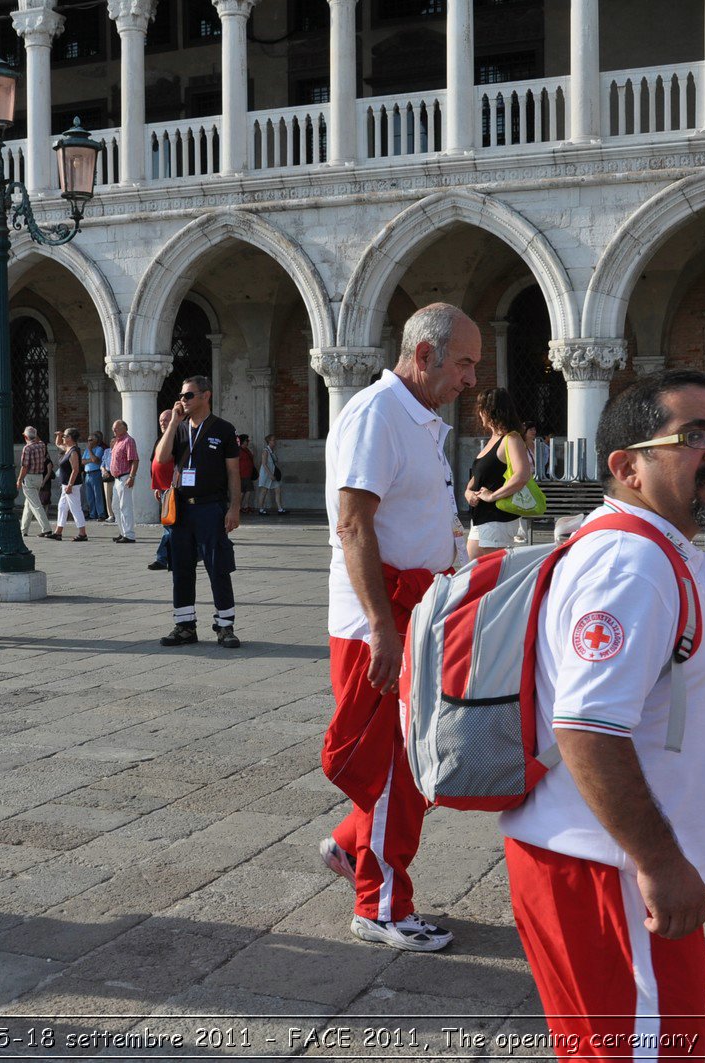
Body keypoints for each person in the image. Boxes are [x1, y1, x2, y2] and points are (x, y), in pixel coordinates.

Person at [501, 368, 705, 1059]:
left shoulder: (648, 546)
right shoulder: (631, 563)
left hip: (601, 862)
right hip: (608, 872)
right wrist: (661, 862)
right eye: (692, 436)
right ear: (626, 467)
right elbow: (585, 726)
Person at [319, 303, 480, 951]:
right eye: (464, 362)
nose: (471, 378)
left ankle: (352, 843)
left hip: (416, 615)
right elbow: (353, 524)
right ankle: (380, 904)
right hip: (376, 624)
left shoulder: (420, 421)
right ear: (424, 356)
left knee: (415, 759)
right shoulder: (377, 414)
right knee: (391, 767)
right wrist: (384, 630)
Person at [153, 375, 242, 649]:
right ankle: (184, 626)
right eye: (181, 395)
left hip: (210, 507)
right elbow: (161, 458)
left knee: (218, 567)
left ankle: (225, 627)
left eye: (189, 395)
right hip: (181, 509)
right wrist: (174, 424)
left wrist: (234, 508)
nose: (183, 400)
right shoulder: (178, 429)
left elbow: (233, 472)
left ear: (206, 396)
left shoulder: (223, 429)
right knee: (180, 567)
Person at [464, 387, 533, 560]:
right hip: (481, 517)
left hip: (497, 517)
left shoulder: (512, 439)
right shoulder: (493, 440)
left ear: (490, 411)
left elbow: (522, 475)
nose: (479, 413)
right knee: (476, 569)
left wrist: (493, 496)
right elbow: (477, 476)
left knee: (493, 575)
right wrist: (468, 492)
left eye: (481, 408)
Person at [42, 427, 87, 541]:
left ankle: (82, 533)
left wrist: (70, 485)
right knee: (62, 507)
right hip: (65, 485)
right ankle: (58, 532)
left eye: (66, 436)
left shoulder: (73, 452)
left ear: (71, 438)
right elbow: (58, 444)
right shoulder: (67, 448)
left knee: (75, 508)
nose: (63, 438)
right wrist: (59, 435)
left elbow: (75, 470)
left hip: (72, 485)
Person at [148, 409, 175, 570]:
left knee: (169, 525)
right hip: (163, 488)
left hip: (173, 489)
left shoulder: (178, 438)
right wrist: (157, 485)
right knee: (171, 525)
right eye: (161, 421)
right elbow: (155, 462)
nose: (162, 423)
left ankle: (162, 558)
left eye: (166, 420)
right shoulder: (161, 438)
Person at [108, 418, 140, 544]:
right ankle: (122, 532)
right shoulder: (117, 441)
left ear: (124, 428)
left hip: (125, 477)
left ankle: (129, 535)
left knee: (125, 506)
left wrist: (132, 477)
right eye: (113, 428)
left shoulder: (128, 440)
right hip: (117, 479)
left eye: (116, 428)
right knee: (115, 506)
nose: (114, 430)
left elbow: (134, 460)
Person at [18, 425, 51, 537]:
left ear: (25, 436)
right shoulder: (42, 445)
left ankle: (46, 528)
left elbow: (24, 467)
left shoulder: (27, 448)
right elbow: (38, 439)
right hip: (39, 477)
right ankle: (23, 530)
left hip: (30, 478)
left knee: (36, 505)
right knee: (29, 504)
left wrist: (19, 480)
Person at [256, 433, 285, 515]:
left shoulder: (272, 451)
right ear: (269, 441)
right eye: (273, 440)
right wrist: (270, 475)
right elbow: (264, 464)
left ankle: (280, 509)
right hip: (267, 474)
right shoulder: (265, 451)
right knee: (264, 491)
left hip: (272, 473)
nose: (275, 441)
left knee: (277, 489)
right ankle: (261, 509)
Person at [82, 430, 107, 522]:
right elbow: (82, 461)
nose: (89, 442)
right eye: (88, 440)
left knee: (98, 494)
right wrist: (90, 459)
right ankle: (92, 514)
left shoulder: (99, 449)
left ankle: (101, 514)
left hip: (95, 473)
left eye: (91, 440)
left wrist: (90, 451)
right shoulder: (86, 450)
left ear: (97, 440)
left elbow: (96, 460)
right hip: (87, 473)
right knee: (90, 496)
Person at [237, 434, 257, 514]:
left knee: (248, 491)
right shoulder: (238, 450)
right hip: (241, 475)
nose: (248, 442)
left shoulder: (247, 450)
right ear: (242, 441)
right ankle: (238, 507)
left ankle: (246, 506)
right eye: (246, 441)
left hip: (248, 475)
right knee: (241, 492)